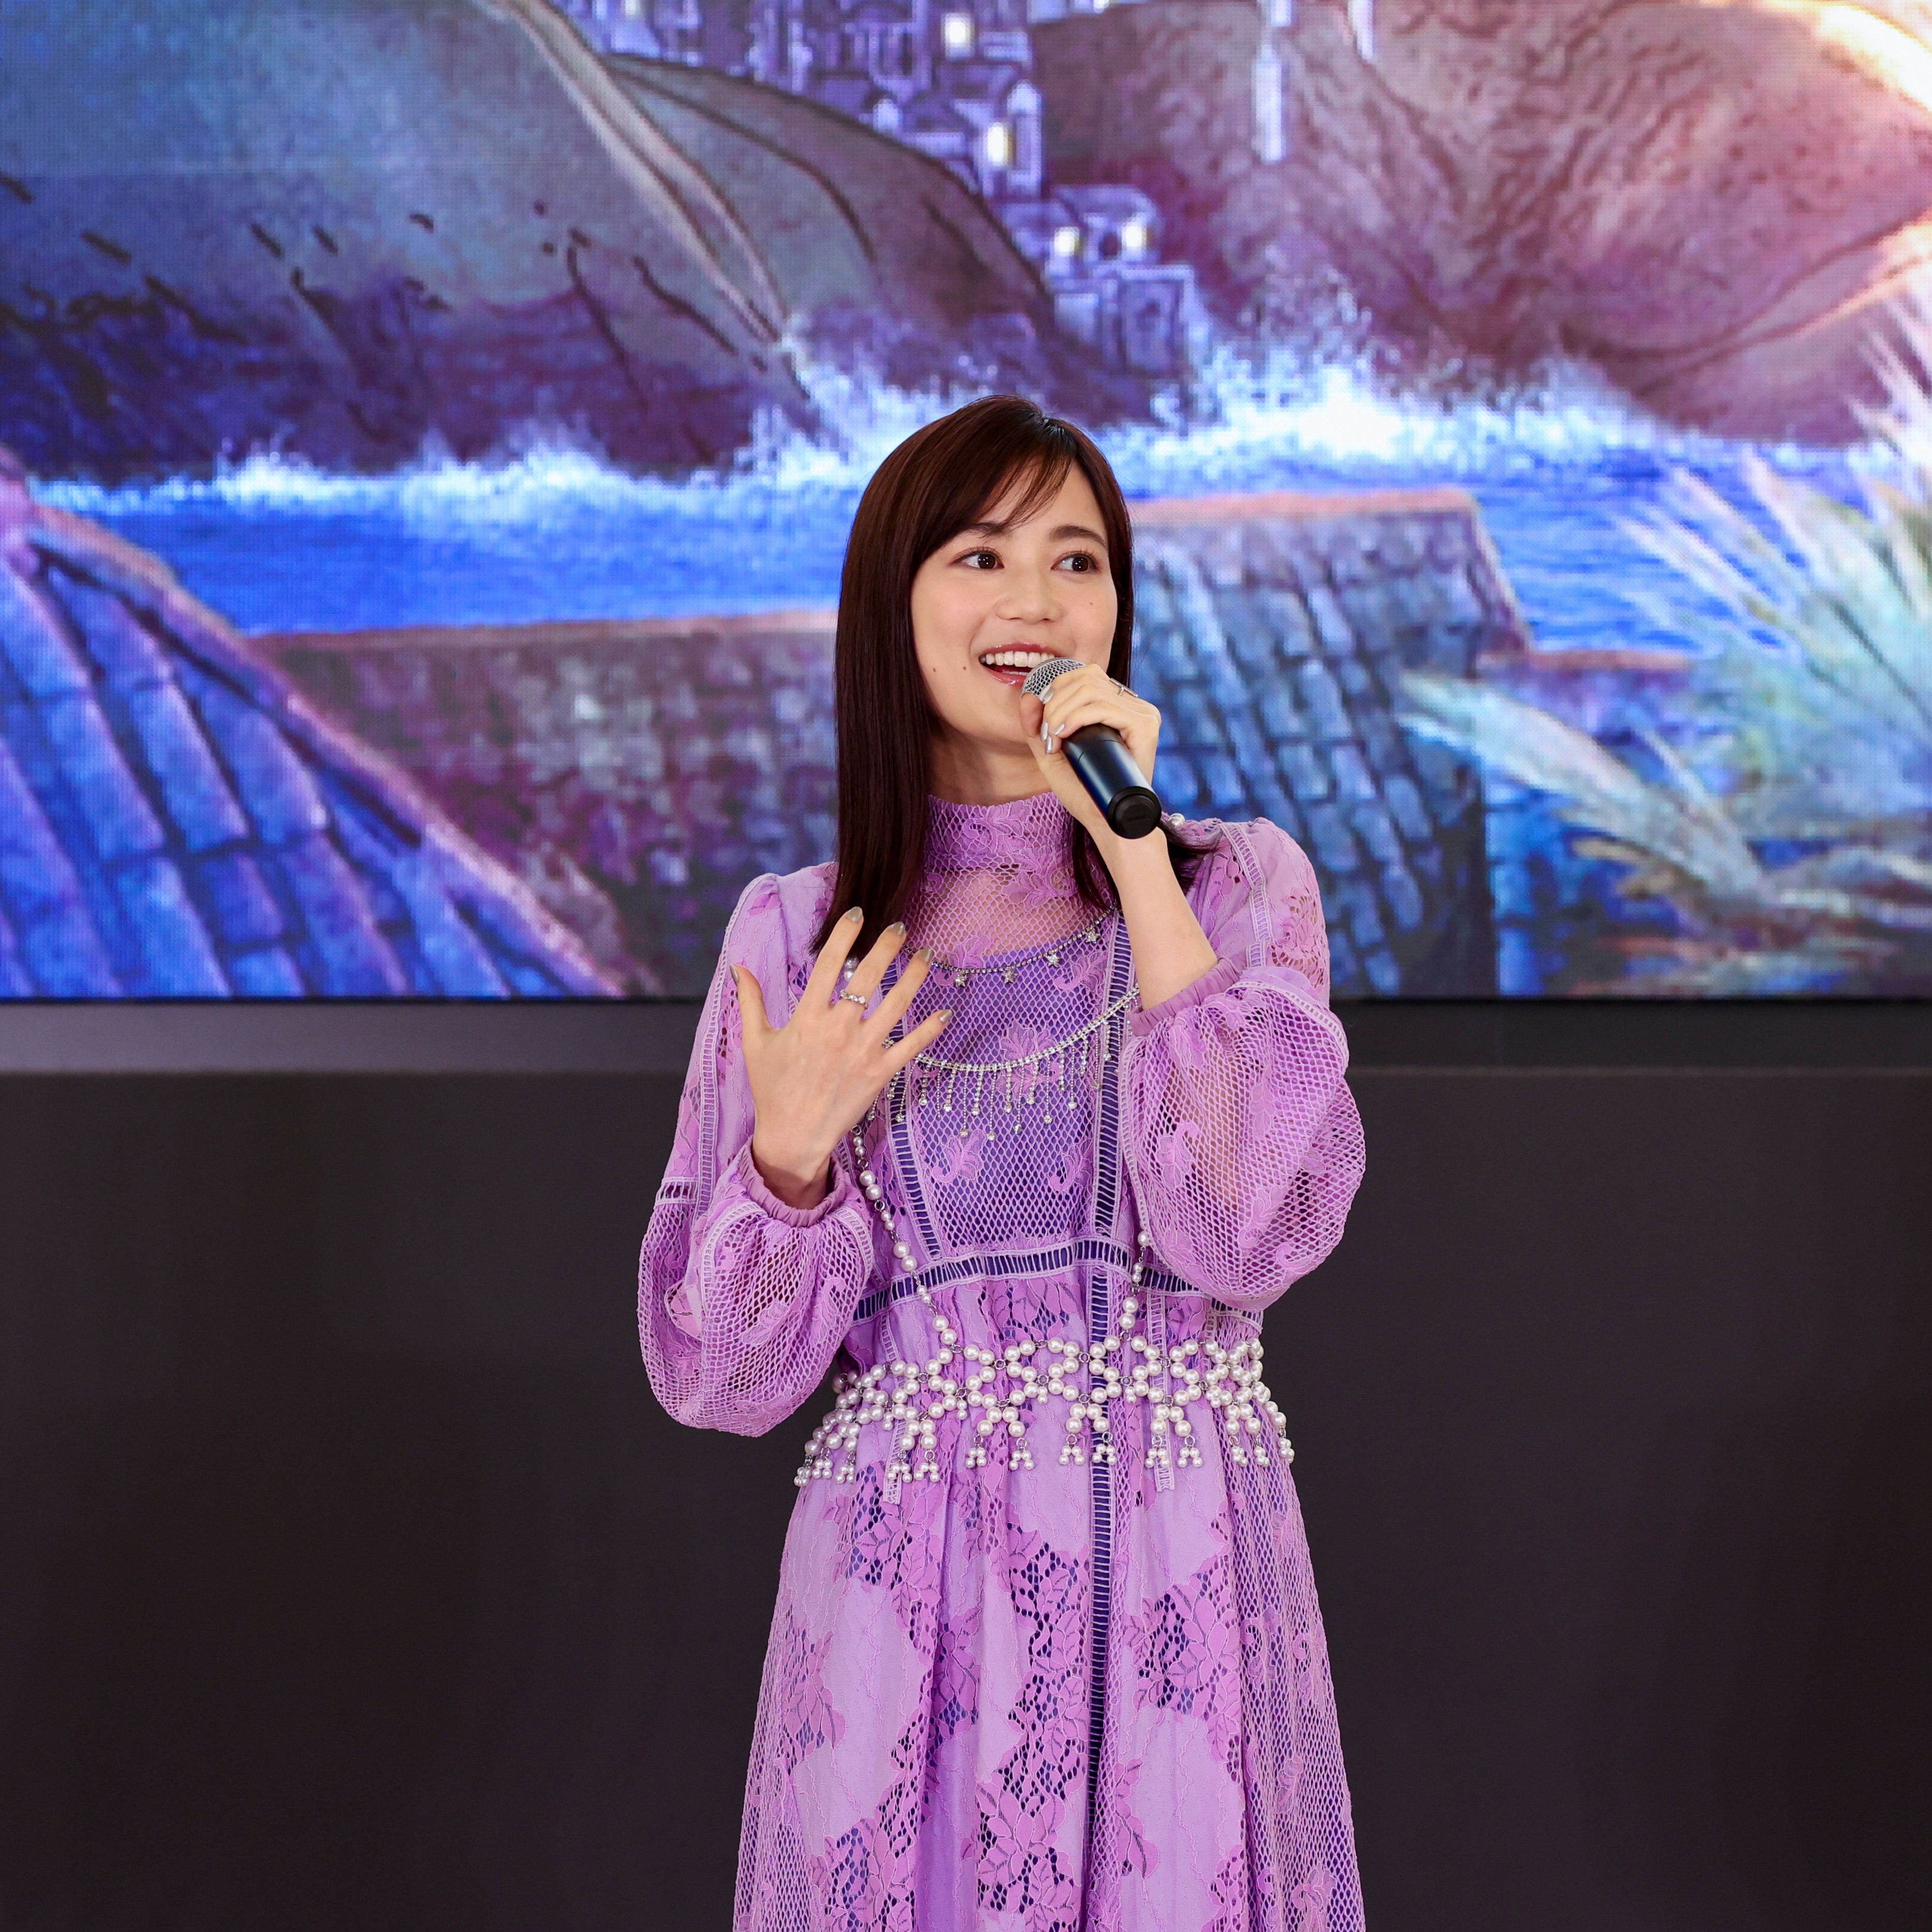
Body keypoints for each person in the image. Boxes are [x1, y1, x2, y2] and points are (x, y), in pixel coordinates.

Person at [639, 396, 1367, 1931]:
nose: (1036, 601)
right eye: (981, 557)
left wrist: (1132, 853)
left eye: (1077, 560)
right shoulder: (803, 937)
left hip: (1181, 1585)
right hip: (903, 1616)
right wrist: (789, 1155)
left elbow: (1243, 1233)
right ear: (892, 604)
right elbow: (717, 1375)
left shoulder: (1235, 888)